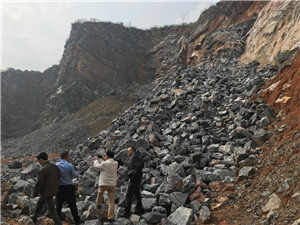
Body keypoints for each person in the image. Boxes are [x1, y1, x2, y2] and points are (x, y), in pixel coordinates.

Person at [31, 152, 62, 225]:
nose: (38, 162)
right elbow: (59, 176)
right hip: (54, 190)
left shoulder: (43, 169)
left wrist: (34, 193)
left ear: (41, 159)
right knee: (40, 202)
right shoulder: (55, 166)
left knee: (52, 210)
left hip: (46, 192)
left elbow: (39, 183)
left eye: (38, 160)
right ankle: (34, 217)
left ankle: (59, 223)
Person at [56, 151, 82, 224]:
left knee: (59, 205)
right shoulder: (69, 165)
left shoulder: (57, 165)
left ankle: (57, 220)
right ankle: (77, 220)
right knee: (72, 205)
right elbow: (75, 175)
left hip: (59, 187)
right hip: (68, 187)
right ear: (67, 156)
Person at [93, 150, 118, 222]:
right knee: (111, 201)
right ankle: (111, 217)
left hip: (104, 183)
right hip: (112, 184)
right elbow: (109, 162)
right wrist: (104, 158)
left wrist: (96, 160)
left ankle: (98, 204)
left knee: (100, 193)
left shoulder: (104, 164)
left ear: (107, 156)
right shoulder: (116, 163)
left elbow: (96, 166)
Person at [124, 146, 145, 218]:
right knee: (137, 194)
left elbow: (138, 167)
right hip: (137, 179)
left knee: (128, 195)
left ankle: (127, 212)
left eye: (128, 151)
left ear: (133, 151)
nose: (127, 152)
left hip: (135, 179)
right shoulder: (135, 157)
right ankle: (139, 209)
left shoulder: (135, 157)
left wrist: (132, 177)